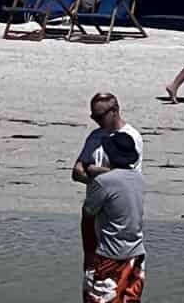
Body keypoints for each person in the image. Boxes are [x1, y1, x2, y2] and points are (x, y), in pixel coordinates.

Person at [81, 129, 147, 303]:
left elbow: (88, 212)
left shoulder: (103, 182)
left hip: (108, 256)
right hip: (136, 254)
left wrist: (88, 254)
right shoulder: (139, 179)